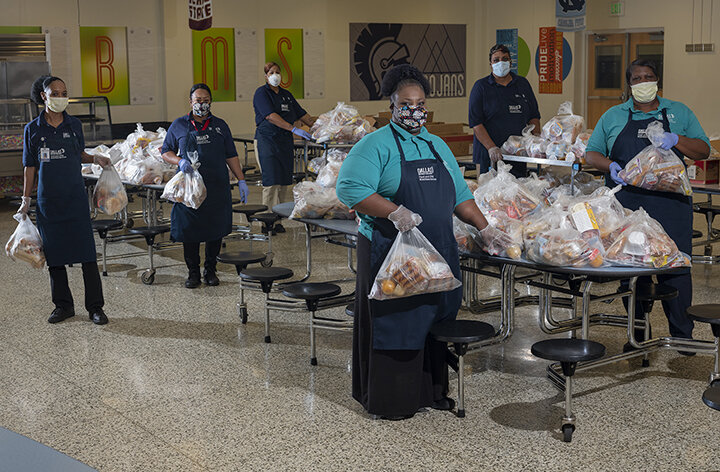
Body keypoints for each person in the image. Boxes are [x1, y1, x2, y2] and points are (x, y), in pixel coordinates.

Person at [336, 64, 511, 419]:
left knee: (432, 321)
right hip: (390, 253)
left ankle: (431, 392)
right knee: (398, 321)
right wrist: (393, 211)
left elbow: (461, 194)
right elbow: (349, 188)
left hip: (436, 254)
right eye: (406, 104)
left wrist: (484, 227)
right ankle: (392, 400)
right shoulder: (375, 145)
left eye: (420, 104)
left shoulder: (436, 145)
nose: (414, 111)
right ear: (392, 107)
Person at [585, 59, 710, 350]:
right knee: (632, 268)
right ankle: (637, 333)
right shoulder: (614, 116)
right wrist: (611, 167)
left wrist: (677, 139)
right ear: (629, 85)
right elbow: (592, 153)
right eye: (637, 79)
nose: (644, 83)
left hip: (672, 205)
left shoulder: (679, 112)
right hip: (628, 206)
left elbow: (703, 149)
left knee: (676, 269)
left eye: (649, 77)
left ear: (658, 81)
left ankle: (682, 336)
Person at [20, 75, 111, 325]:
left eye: (64, 92)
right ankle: (63, 306)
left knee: (87, 255)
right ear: (44, 96)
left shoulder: (74, 125)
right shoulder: (33, 129)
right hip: (49, 203)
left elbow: (78, 153)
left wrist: (96, 158)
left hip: (75, 200)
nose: (60, 97)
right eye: (55, 93)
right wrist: (26, 198)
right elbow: (30, 166)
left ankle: (95, 307)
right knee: (56, 256)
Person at [161, 83, 249, 289]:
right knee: (189, 230)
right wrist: (179, 161)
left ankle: (211, 270)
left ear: (211, 101)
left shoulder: (220, 125)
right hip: (189, 189)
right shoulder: (179, 125)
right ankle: (193, 273)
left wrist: (241, 179)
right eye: (197, 100)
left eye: (205, 100)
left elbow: (231, 155)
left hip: (216, 186)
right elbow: (165, 151)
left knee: (215, 230)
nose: (201, 104)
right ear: (190, 102)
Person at [253, 62, 315, 229]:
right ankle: (268, 221)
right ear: (266, 76)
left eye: (277, 72)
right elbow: (270, 116)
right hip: (267, 140)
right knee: (271, 182)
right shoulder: (261, 93)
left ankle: (278, 219)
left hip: (284, 142)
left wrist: (327, 125)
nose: (275, 75)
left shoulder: (286, 95)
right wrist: (293, 128)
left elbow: (305, 116)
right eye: (271, 72)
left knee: (283, 183)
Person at [469, 44, 541, 178]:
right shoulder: (481, 87)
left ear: (510, 62)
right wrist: (491, 147)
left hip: (517, 155)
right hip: (490, 156)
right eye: (496, 60)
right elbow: (476, 123)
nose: (500, 62)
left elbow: (534, 116)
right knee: (492, 195)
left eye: (505, 59)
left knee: (517, 194)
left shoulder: (522, 84)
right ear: (490, 64)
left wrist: (536, 143)